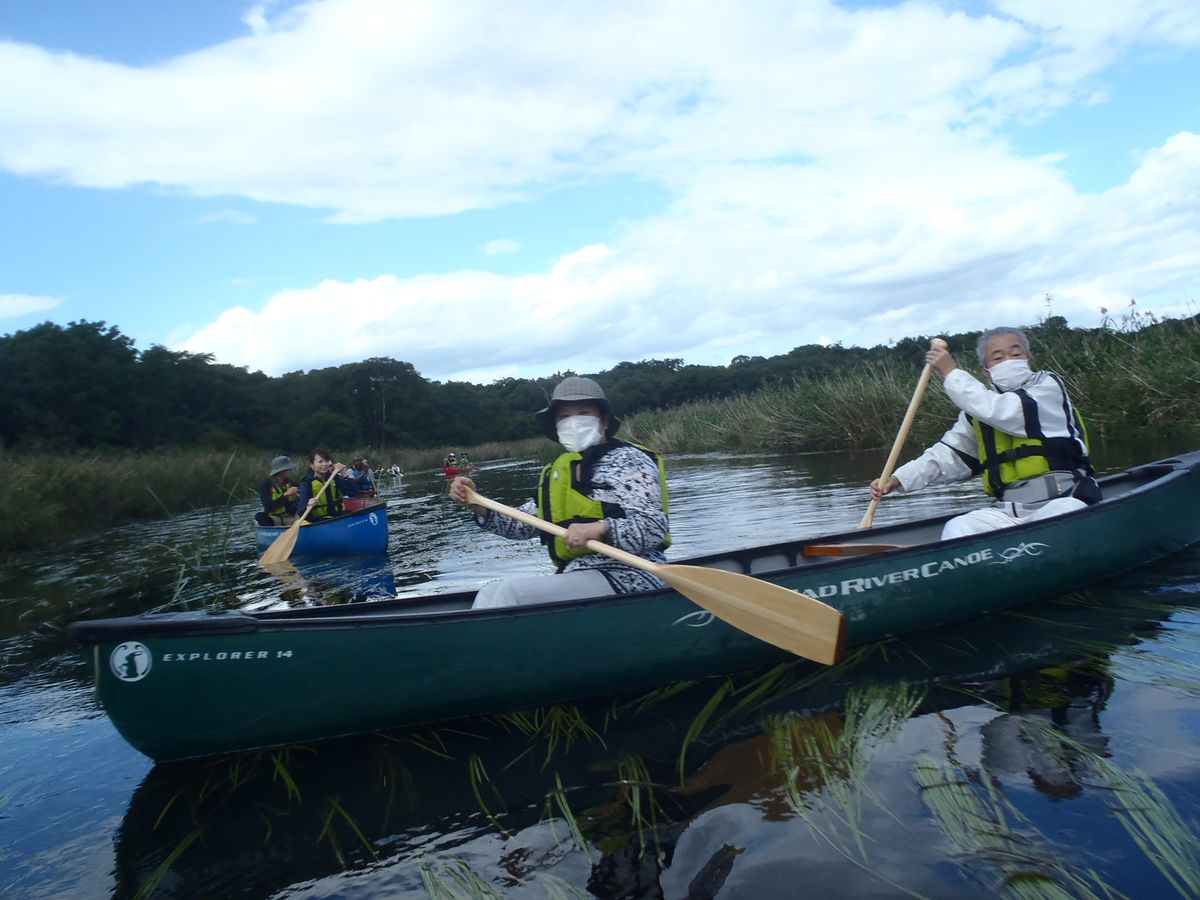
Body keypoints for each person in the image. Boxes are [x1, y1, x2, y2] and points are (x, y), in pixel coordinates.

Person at [449, 376, 671, 609]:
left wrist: (600, 528)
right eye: (564, 417)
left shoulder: (630, 461)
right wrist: (477, 503)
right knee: (490, 591)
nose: (573, 422)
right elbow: (523, 524)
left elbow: (653, 527)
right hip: (579, 574)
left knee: (509, 593)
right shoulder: (561, 472)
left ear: (604, 421)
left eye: (583, 413)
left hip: (633, 575)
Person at [870, 327, 1100, 540]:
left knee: (1065, 514)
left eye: (1016, 354)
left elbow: (1001, 410)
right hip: (1008, 510)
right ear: (986, 371)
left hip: (1062, 498)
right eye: (998, 358)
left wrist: (950, 372)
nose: (1008, 361)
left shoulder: (1047, 387)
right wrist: (898, 479)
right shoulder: (977, 413)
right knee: (958, 527)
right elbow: (947, 456)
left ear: (1028, 358)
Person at [296, 448, 357, 520]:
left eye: (326, 461)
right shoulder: (307, 483)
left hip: (337, 515)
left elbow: (352, 493)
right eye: (320, 462)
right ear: (312, 465)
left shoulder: (335, 478)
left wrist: (345, 475)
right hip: (319, 520)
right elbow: (301, 510)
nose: (324, 464)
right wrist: (308, 505)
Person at [257, 455, 300, 526]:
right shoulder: (265, 486)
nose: (291, 471)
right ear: (281, 471)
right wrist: (286, 495)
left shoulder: (293, 485)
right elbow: (268, 507)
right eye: (289, 469)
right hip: (274, 518)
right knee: (260, 516)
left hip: (290, 517)